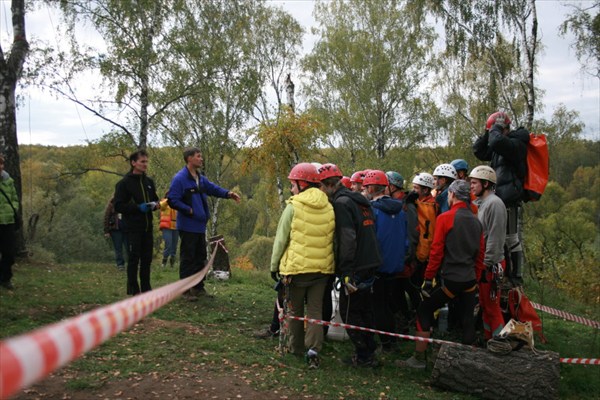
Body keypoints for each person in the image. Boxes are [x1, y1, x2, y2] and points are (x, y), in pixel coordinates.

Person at [398, 180, 484, 369]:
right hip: (469, 279)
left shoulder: (446, 218)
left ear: (452, 195)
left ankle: (419, 358)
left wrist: (428, 278)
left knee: (424, 310)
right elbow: (480, 255)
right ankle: (468, 365)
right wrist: (476, 278)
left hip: (451, 278)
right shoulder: (476, 221)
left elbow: (436, 252)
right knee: (468, 318)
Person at [270, 162, 335, 369]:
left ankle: (295, 347)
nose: (290, 189)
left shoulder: (294, 206)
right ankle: (313, 350)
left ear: (302, 183)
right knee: (315, 311)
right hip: (322, 269)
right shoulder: (329, 206)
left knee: (294, 310)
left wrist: (274, 266)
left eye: (292, 184)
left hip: (297, 270)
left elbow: (281, 239)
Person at [319, 163, 382, 367]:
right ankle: (370, 349)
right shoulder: (360, 200)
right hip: (370, 259)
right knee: (366, 310)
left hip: (356, 264)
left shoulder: (342, 203)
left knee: (350, 311)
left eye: (321, 186)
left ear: (329, 185)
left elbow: (347, 238)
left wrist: (345, 270)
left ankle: (363, 355)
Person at [168, 147, 241, 298]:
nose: (201, 159)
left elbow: (212, 188)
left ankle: (198, 288)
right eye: (198, 156)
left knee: (200, 257)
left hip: (200, 226)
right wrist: (189, 210)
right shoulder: (180, 178)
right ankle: (185, 290)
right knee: (188, 258)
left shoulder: (200, 178)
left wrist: (228, 194)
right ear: (189, 159)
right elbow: (172, 200)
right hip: (187, 225)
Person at [473, 111, 530, 285]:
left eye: (496, 130)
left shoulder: (516, 143)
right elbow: (479, 150)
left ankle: (515, 276)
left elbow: (497, 141)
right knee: (494, 236)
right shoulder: (499, 145)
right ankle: (502, 272)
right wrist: (488, 130)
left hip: (510, 198)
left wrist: (495, 127)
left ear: (504, 128)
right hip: (499, 197)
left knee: (510, 238)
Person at [362, 170, 407, 352]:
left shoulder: (373, 210)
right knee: (389, 303)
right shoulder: (400, 209)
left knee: (378, 306)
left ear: (372, 187)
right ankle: (392, 339)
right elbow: (405, 238)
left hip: (379, 264)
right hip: (396, 264)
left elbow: (372, 238)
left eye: (366, 187)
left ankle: (386, 343)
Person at [114, 149, 159, 296]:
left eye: (146, 161)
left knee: (147, 259)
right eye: (142, 162)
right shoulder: (124, 183)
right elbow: (118, 206)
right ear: (133, 163)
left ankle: (146, 289)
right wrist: (137, 208)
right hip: (132, 227)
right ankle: (134, 290)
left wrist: (158, 205)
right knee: (134, 259)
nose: (145, 164)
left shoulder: (149, 182)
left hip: (147, 227)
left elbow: (155, 199)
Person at [470, 166, 507, 340]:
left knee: (492, 306)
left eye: (474, 182)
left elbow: (495, 238)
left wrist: (486, 264)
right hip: (484, 263)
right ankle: (488, 339)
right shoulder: (481, 203)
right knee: (485, 304)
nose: (471, 186)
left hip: (492, 265)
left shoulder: (495, 204)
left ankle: (499, 343)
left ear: (485, 183)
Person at [403, 173, 438, 322]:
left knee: (416, 288)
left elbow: (426, 234)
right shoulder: (426, 203)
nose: (413, 190)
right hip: (423, 254)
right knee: (415, 288)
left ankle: (422, 318)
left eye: (416, 188)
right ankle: (421, 316)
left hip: (422, 255)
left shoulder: (429, 206)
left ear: (425, 190)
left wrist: (419, 257)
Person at [0, 153, 19, 290]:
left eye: (1, 164)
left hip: (8, 221)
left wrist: (13, 209)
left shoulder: (8, 180)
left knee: (9, 253)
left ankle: (5, 278)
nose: (0, 166)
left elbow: (14, 199)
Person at [103, 196, 128, 271]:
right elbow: (106, 217)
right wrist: (106, 231)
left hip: (126, 229)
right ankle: (120, 264)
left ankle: (133, 263)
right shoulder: (111, 205)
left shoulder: (128, 203)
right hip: (115, 230)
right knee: (118, 248)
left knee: (129, 247)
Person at [159, 193, 178, 268]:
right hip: (166, 227)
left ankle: (172, 263)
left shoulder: (177, 203)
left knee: (174, 245)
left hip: (176, 226)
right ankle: (164, 262)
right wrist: (168, 200)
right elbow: (161, 206)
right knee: (168, 244)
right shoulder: (164, 202)